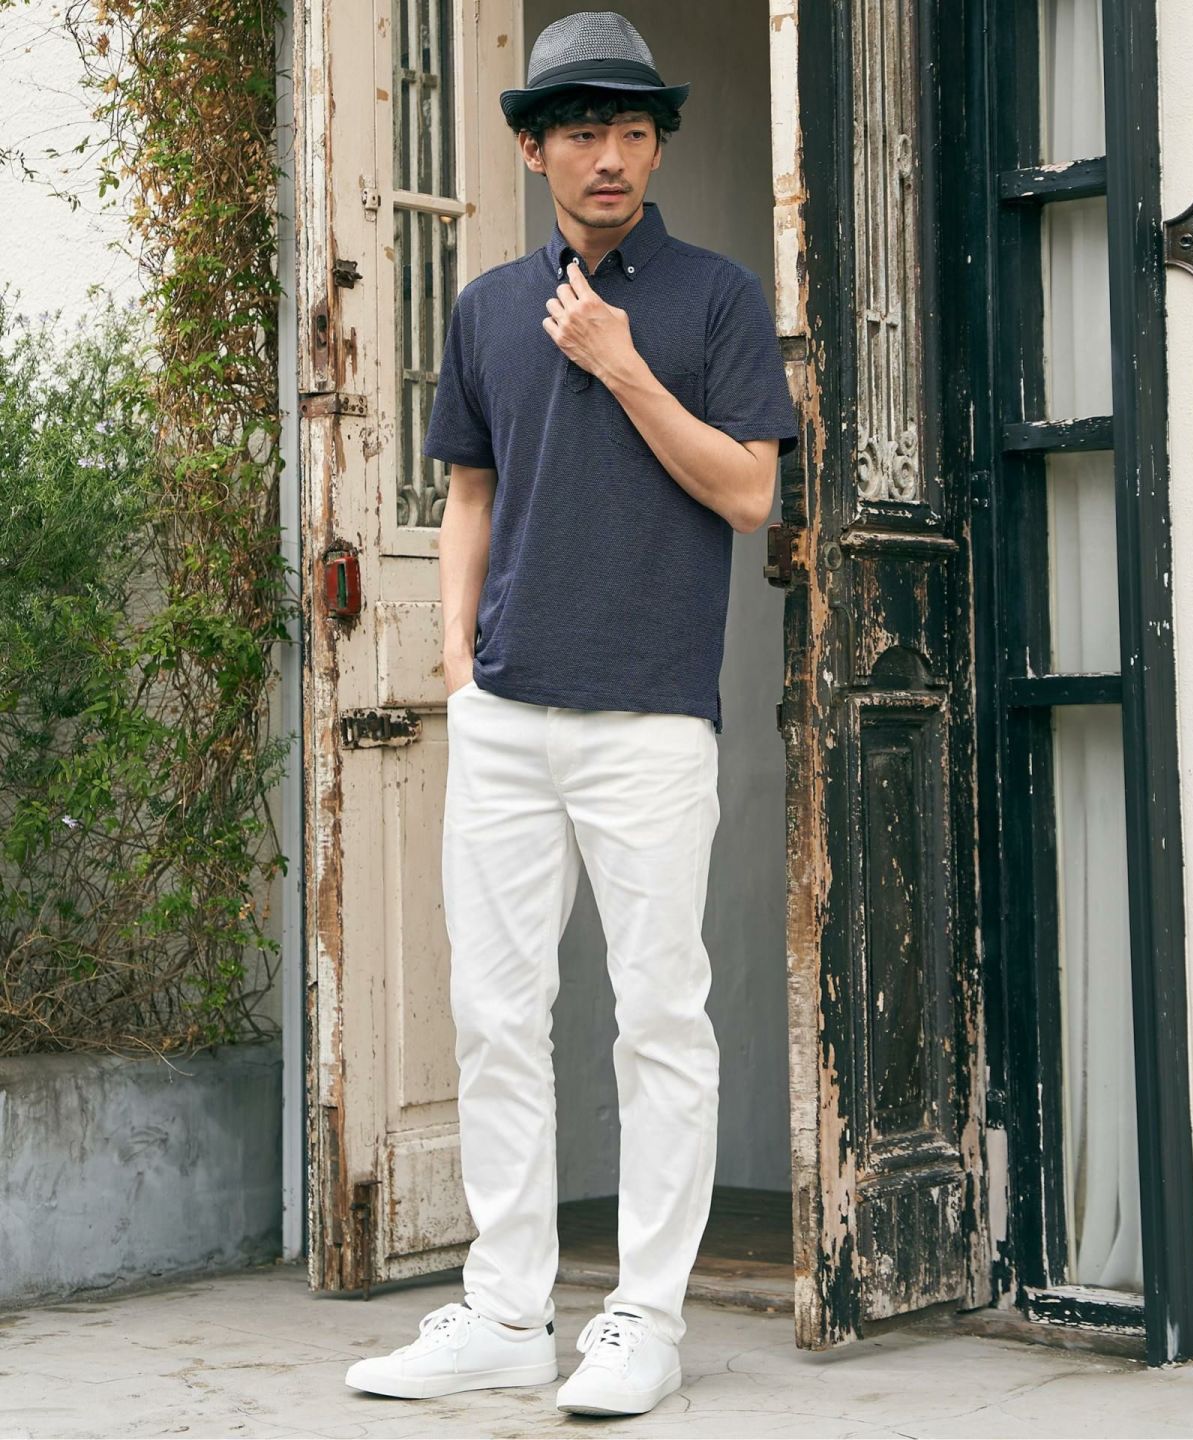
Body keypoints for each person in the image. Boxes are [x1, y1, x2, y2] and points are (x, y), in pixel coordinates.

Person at [345, 9, 797, 1418]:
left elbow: (750, 492)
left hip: (650, 718)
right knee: (495, 1015)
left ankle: (644, 1320)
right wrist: (460, 666)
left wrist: (619, 359)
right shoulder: (487, 308)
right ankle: (503, 1312)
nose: (609, 156)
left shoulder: (714, 298)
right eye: (583, 131)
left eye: (633, 131)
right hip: (507, 716)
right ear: (536, 149)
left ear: (657, 148)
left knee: (659, 1018)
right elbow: (466, 494)